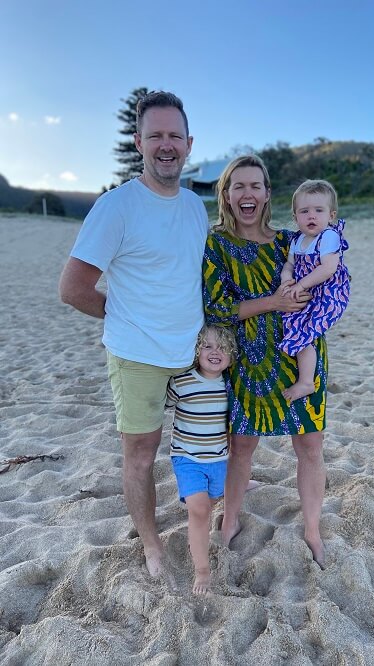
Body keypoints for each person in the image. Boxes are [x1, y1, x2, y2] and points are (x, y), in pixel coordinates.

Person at [58, 91, 209, 579]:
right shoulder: (116, 206)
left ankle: (201, 515)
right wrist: (122, 316)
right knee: (141, 455)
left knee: (201, 441)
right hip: (137, 356)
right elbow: (73, 289)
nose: (166, 146)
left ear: (189, 144)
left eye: (174, 136)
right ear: (138, 141)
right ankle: (151, 545)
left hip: (191, 351)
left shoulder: (194, 206)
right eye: (155, 136)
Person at [202, 155, 328, 568]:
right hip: (248, 359)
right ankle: (230, 520)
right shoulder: (217, 245)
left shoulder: (292, 241)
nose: (247, 193)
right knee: (241, 445)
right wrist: (275, 300)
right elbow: (217, 307)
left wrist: (308, 295)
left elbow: (330, 276)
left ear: (268, 194)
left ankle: (312, 528)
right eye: (238, 186)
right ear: (226, 194)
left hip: (298, 352)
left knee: (309, 445)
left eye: (255, 185)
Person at [166, 324, 237, 595]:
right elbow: (162, 404)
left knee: (211, 501)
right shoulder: (182, 382)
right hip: (187, 458)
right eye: (207, 346)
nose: (215, 352)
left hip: (218, 459)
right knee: (200, 511)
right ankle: (202, 570)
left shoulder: (229, 386)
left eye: (222, 347)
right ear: (196, 351)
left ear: (231, 354)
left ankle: (244, 484)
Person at [279, 179, 350, 402]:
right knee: (294, 325)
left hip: (328, 293)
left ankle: (307, 382)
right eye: (304, 211)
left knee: (305, 331)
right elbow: (289, 264)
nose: (312, 216)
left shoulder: (328, 236)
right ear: (295, 217)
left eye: (319, 210)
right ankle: (306, 378)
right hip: (307, 291)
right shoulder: (298, 240)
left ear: (331, 216)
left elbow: (328, 268)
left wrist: (300, 285)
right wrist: (287, 278)